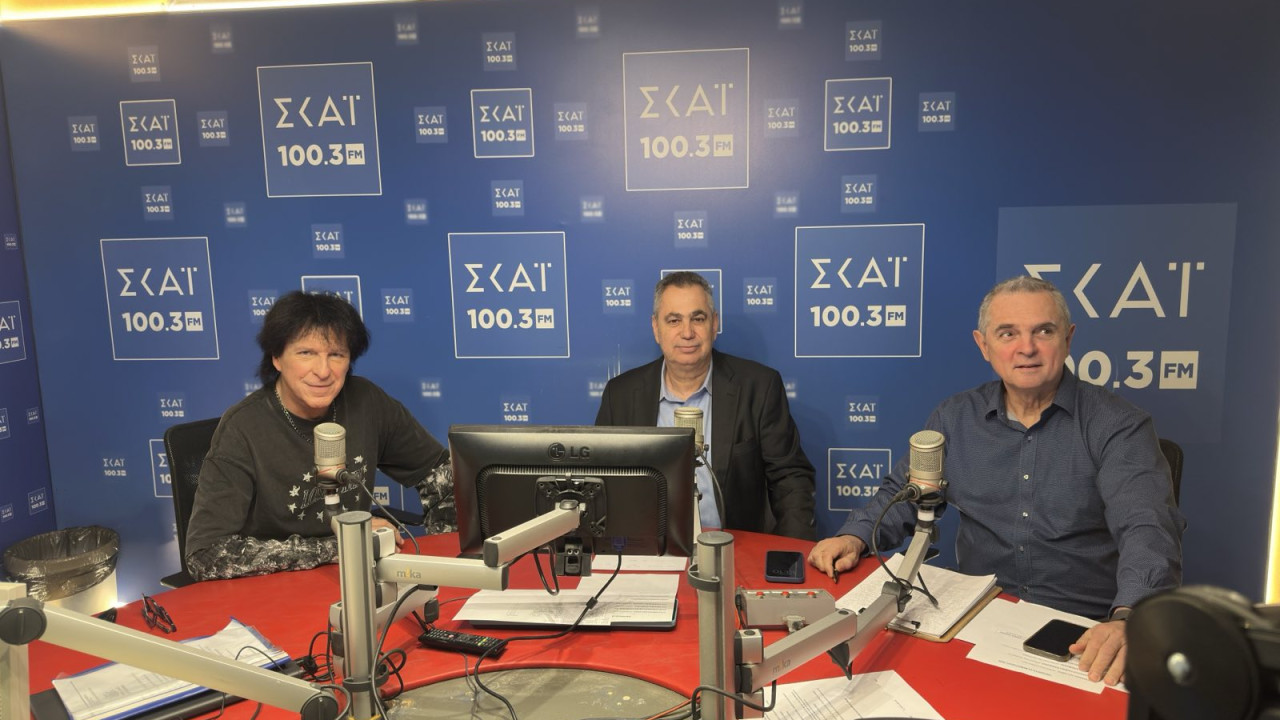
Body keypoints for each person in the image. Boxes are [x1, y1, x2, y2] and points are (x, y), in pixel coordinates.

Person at [808, 275, 1185, 686]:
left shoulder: (1119, 425)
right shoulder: (954, 418)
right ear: (984, 345)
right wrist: (856, 536)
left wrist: (1129, 617)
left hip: (1083, 629)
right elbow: (907, 495)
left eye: (1044, 331)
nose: (1027, 348)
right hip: (974, 619)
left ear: (1068, 338)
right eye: (1008, 333)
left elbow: (1147, 528)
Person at [185, 290, 455, 581]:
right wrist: (338, 547)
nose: (323, 371)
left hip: (356, 578)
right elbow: (205, 555)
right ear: (277, 357)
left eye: (336, 355)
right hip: (273, 587)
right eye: (306, 353)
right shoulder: (242, 428)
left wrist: (443, 556)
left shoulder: (367, 402)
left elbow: (442, 476)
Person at [595, 271, 816, 539]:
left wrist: (791, 553)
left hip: (735, 546)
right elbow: (600, 485)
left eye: (698, 319)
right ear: (656, 328)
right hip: (648, 547)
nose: (687, 333)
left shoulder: (759, 387)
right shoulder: (620, 395)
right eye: (674, 320)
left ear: (714, 324)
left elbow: (790, 480)